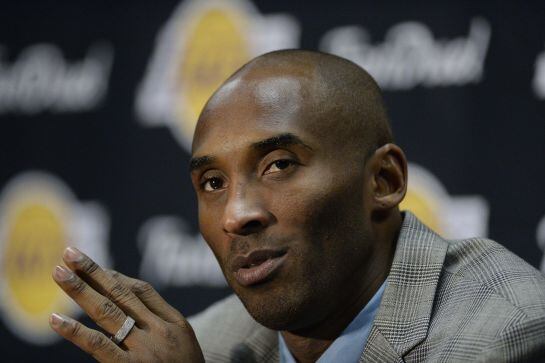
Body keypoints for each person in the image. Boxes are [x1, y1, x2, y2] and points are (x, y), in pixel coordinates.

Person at [49, 50, 545, 362]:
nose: (235, 214)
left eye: (280, 165)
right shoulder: (211, 343)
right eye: (213, 181)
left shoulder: (506, 333)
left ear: (384, 181)